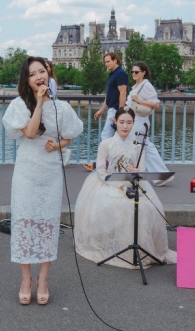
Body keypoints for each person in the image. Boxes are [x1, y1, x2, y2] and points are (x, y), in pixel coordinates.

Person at [2, 57, 83, 305]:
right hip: (27, 172)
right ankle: (26, 279)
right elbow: (28, 132)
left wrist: (57, 145)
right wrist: (38, 103)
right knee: (25, 223)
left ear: (48, 74)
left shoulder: (62, 108)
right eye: (33, 73)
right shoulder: (19, 105)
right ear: (26, 80)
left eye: (42, 71)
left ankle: (44, 279)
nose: (39, 76)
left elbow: (69, 135)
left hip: (50, 174)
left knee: (48, 224)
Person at [74, 107, 177, 268]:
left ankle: (143, 249)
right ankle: (119, 246)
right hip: (109, 182)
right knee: (119, 205)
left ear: (133, 123)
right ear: (115, 122)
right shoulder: (106, 144)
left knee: (148, 206)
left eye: (129, 122)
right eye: (121, 122)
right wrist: (120, 186)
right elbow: (101, 171)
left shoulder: (138, 144)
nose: (125, 126)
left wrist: (136, 171)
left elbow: (142, 168)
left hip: (133, 182)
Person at [126, 61, 173, 186]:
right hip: (134, 119)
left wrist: (138, 100)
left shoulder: (146, 85)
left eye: (136, 72)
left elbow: (156, 104)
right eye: (132, 72)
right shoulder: (136, 86)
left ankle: (158, 174)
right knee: (143, 146)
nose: (133, 74)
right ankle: (160, 175)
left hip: (140, 120)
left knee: (143, 146)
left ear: (143, 73)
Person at [84, 52, 126, 170]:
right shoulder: (113, 74)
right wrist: (102, 110)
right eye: (105, 62)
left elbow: (123, 93)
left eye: (108, 61)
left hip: (116, 110)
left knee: (106, 136)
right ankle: (109, 163)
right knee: (117, 138)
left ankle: (101, 164)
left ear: (115, 61)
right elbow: (110, 95)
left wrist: (120, 112)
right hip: (112, 109)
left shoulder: (120, 74)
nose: (106, 64)